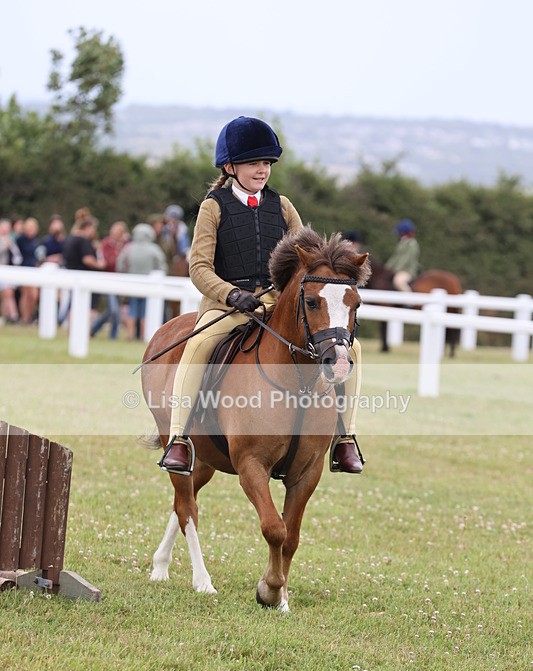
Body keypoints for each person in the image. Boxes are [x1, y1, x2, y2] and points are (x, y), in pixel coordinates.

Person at [159, 115, 364, 476]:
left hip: (276, 305)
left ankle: (345, 439)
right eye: (254, 162)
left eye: (266, 163)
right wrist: (231, 294)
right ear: (230, 166)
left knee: (353, 349)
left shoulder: (282, 206)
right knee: (199, 345)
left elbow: (309, 261)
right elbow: (199, 267)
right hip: (227, 306)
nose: (261, 170)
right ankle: (179, 439)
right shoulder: (213, 206)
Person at [116, 223, 167, 341]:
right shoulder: (154, 249)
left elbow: (120, 265)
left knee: (132, 310)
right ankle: (144, 337)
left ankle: (129, 335)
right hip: (150, 286)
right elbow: (162, 267)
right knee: (146, 311)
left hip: (132, 285)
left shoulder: (128, 248)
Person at [59, 216, 106, 325]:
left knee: (73, 304)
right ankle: (83, 329)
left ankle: (69, 327)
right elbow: (87, 259)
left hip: (71, 275)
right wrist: (99, 265)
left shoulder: (69, 239)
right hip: (84, 278)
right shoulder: (82, 240)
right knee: (87, 306)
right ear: (87, 227)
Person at [90, 220, 130, 339]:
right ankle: (112, 336)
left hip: (120, 280)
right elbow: (108, 261)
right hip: (108, 279)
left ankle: (94, 329)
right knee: (114, 310)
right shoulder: (106, 243)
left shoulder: (126, 244)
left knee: (112, 309)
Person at [16, 217, 41, 323]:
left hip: (33, 269)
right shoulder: (20, 239)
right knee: (26, 294)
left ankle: (28, 316)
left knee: (34, 295)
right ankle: (25, 318)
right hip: (23, 269)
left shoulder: (35, 240)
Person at [385, 218, 420, 291]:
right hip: (399, 270)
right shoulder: (402, 243)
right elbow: (395, 257)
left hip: (407, 271)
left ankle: (409, 299)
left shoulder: (412, 244)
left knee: (398, 281)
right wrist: (387, 267)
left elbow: (405, 259)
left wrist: (395, 269)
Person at [0, 218, 23, 324]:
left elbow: (18, 257)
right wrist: (4, 246)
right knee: (6, 294)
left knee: (8, 293)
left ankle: (11, 316)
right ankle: (11, 316)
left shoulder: (11, 240)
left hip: (9, 271)